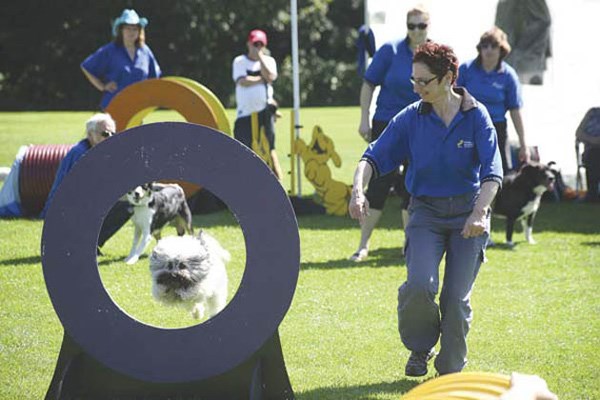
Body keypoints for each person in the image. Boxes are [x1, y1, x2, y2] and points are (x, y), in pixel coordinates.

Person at [349, 42, 503, 377]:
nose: (417, 88)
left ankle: (449, 374)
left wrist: (479, 213)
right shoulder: (411, 117)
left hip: (468, 213)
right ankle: (420, 349)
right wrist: (358, 190)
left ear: (448, 77)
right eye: (413, 81)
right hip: (425, 214)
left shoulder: (476, 116)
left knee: (455, 300)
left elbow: (493, 173)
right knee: (420, 285)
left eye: (424, 82)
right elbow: (372, 157)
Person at [349, 6, 430, 262]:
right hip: (387, 124)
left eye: (421, 26)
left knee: (413, 184)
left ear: (428, 26)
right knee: (379, 183)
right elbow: (368, 83)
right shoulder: (390, 50)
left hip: (422, 126)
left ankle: (410, 245)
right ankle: (363, 245)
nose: (416, 31)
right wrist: (364, 119)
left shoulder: (434, 54)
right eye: (412, 25)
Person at [41, 113, 132, 252]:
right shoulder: (81, 154)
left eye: (113, 134)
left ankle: (90, 245)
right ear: (90, 134)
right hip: (64, 211)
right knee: (125, 204)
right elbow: (82, 191)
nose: (110, 138)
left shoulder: (99, 150)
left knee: (128, 203)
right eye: (105, 133)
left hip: (75, 207)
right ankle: (83, 244)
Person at [456, 27, 530, 173]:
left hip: (496, 129)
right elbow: (452, 100)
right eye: (485, 46)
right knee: (465, 170)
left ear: (501, 49)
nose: (489, 50)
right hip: (468, 126)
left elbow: (515, 110)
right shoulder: (466, 69)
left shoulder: (508, 75)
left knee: (501, 172)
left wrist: (523, 144)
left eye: (494, 46)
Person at [81, 9, 161, 111]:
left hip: (137, 108)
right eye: (128, 28)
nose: (131, 32)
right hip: (113, 106)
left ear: (139, 31)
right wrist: (102, 86)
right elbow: (86, 67)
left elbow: (154, 78)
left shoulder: (145, 51)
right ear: (121, 30)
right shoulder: (110, 50)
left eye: (135, 29)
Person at [232, 29, 283, 180]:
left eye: (261, 44)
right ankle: (245, 182)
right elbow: (242, 81)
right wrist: (262, 79)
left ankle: (278, 184)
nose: (257, 47)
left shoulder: (269, 61)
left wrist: (260, 58)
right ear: (248, 43)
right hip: (245, 114)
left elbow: (271, 76)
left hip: (264, 112)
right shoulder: (239, 61)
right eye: (255, 44)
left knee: (269, 148)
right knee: (243, 149)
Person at [575, 107, 600, 203]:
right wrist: (593, 140)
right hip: (592, 150)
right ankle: (592, 194)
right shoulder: (592, 113)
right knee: (594, 155)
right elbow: (579, 133)